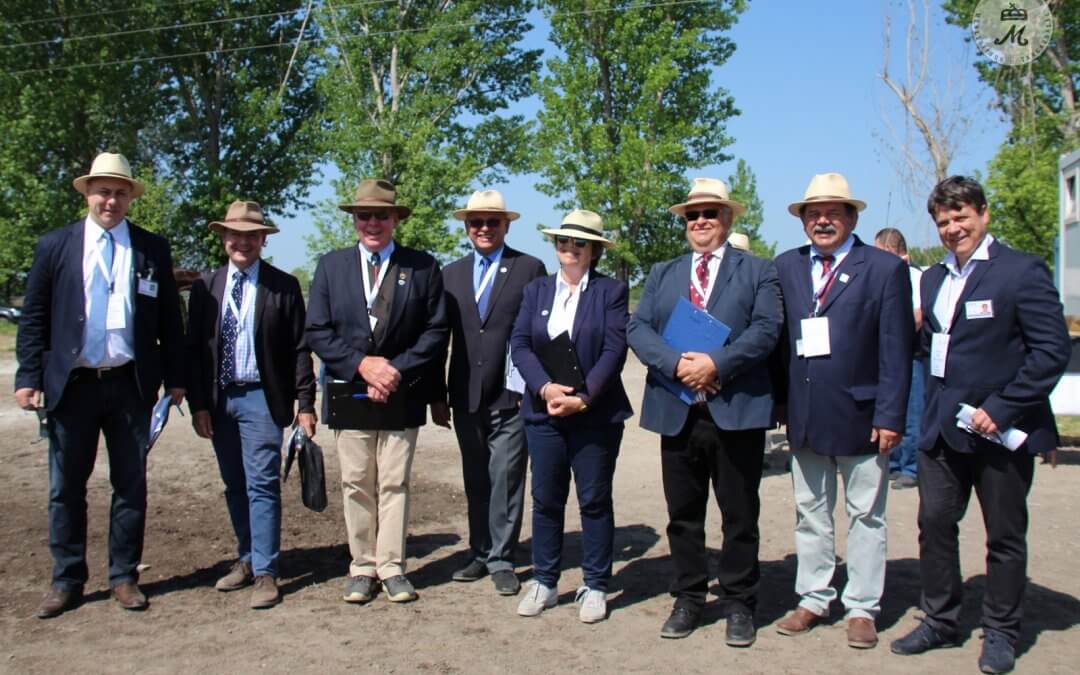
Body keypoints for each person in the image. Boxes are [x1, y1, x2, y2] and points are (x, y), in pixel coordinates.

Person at [890, 177, 1070, 674]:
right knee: (934, 526)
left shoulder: (1021, 272)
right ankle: (941, 620)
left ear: (984, 214)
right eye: (943, 221)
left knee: (1004, 536)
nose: (953, 228)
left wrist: (1006, 405)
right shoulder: (932, 279)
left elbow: (1051, 350)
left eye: (961, 216)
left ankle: (1002, 632)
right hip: (943, 430)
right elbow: (932, 350)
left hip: (1000, 433)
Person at [15, 152, 186, 618]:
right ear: (88, 194)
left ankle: (124, 576)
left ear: (131, 197)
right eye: (103, 191)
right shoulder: (56, 246)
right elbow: (33, 318)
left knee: (130, 485)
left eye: (120, 192)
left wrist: (176, 378)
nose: (111, 200)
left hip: (131, 385)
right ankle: (67, 578)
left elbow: (171, 318)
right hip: (72, 386)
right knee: (66, 486)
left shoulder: (152, 248)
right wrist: (28, 376)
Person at [626, 178, 782, 646]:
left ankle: (739, 603)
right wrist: (676, 365)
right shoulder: (663, 273)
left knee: (740, 515)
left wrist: (718, 363)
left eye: (710, 214)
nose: (700, 222)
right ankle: (689, 597)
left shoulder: (759, 271)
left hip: (734, 408)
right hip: (678, 410)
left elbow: (766, 329)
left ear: (728, 218)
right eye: (693, 216)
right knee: (683, 514)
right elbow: (638, 326)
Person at [773, 172, 913, 649]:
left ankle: (862, 608)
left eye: (833, 212)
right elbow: (778, 346)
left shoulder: (883, 269)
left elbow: (897, 349)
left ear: (852, 217)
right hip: (805, 415)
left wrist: (891, 416)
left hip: (863, 416)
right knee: (810, 513)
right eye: (814, 213)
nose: (823, 220)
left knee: (866, 515)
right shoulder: (786, 267)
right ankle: (812, 597)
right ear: (803, 221)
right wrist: (781, 405)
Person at [305, 179, 448, 605]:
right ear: (353, 219)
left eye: (381, 215)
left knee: (394, 482)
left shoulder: (423, 267)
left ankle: (391, 567)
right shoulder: (331, 266)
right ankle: (362, 566)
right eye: (364, 215)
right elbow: (317, 329)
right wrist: (362, 366)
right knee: (355, 482)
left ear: (395, 219)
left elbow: (436, 331)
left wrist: (393, 371)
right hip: (349, 390)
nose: (372, 223)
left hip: (401, 391)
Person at [185, 201, 317, 609]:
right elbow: (194, 351)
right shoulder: (206, 287)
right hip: (220, 398)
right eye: (234, 234)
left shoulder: (283, 286)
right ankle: (245, 558)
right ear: (223, 238)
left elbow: (300, 348)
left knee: (261, 483)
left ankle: (266, 572)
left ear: (263, 239)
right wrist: (199, 405)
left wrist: (306, 403)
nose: (242, 241)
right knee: (235, 484)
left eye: (250, 235)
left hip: (263, 397)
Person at [509, 209, 632, 623]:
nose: (569, 248)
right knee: (545, 500)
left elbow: (615, 350)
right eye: (563, 241)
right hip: (544, 412)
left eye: (579, 242)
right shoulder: (537, 290)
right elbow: (521, 344)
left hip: (594, 415)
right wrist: (544, 388)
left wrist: (583, 397)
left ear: (594, 250)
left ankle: (595, 584)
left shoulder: (611, 292)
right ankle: (544, 580)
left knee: (594, 500)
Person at [431, 190, 546, 596]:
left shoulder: (529, 268)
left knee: (507, 479)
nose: (484, 229)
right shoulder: (450, 274)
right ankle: (478, 552)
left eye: (492, 222)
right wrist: (436, 395)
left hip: (512, 395)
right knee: (475, 478)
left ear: (506, 225)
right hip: (463, 395)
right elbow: (438, 338)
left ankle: (502, 558)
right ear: (466, 227)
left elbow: (538, 333)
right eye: (476, 222)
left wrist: (534, 386)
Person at [874, 227, 924, 490]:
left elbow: (919, 313)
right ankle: (892, 463)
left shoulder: (915, 276)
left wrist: (897, 330)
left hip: (912, 355)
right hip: (885, 356)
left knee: (913, 413)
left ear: (894, 251)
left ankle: (911, 467)